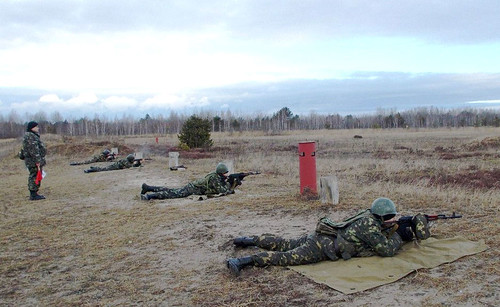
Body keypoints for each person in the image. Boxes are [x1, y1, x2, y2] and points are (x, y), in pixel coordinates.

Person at [226, 198, 430, 276]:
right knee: (285, 256)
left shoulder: (368, 216)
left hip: (323, 235)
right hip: (322, 247)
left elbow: (378, 233)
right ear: (382, 216)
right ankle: (244, 261)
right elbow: (386, 251)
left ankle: (248, 240)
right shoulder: (370, 225)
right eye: (391, 217)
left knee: (283, 242)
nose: (394, 220)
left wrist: (394, 227)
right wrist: (399, 236)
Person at [141, 162, 235, 200]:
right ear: (221, 172)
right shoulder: (215, 178)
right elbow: (222, 191)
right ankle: (149, 196)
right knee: (172, 194)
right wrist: (231, 184)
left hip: (192, 187)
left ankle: (149, 188)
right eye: (225, 173)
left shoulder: (216, 176)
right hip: (192, 189)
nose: (226, 175)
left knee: (171, 191)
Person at [22, 121, 47, 200]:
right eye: (36, 127)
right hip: (33, 161)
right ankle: (33, 194)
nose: (38, 128)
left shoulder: (31, 136)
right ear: (32, 128)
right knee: (34, 176)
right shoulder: (30, 137)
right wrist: (38, 161)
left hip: (33, 161)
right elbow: (34, 150)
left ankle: (34, 193)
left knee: (35, 175)